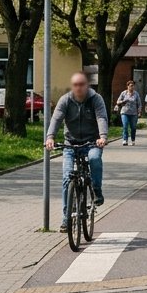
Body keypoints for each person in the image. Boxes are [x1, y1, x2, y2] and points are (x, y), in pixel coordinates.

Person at [45, 73, 108, 232]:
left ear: (87, 85)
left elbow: (101, 117)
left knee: (94, 159)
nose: (78, 87)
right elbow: (57, 118)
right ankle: (66, 219)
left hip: (92, 142)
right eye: (76, 84)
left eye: (82, 84)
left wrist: (102, 137)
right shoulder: (65, 100)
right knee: (67, 177)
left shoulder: (96, 99)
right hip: (71, 144)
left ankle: (96, 189)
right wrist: (50, 137)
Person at [115, 81, 141, 146]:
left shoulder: (136, 94)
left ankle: (133, 139)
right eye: (130, 86)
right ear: (127, 86)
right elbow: (118, 102)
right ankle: (125, 140)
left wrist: (139, 112)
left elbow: (139, 104)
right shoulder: (124, 93)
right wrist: (123, 101)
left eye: (133, 86)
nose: (131, 87)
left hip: (133, 113)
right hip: (124, 112)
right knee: (125, 126)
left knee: (133, 127)